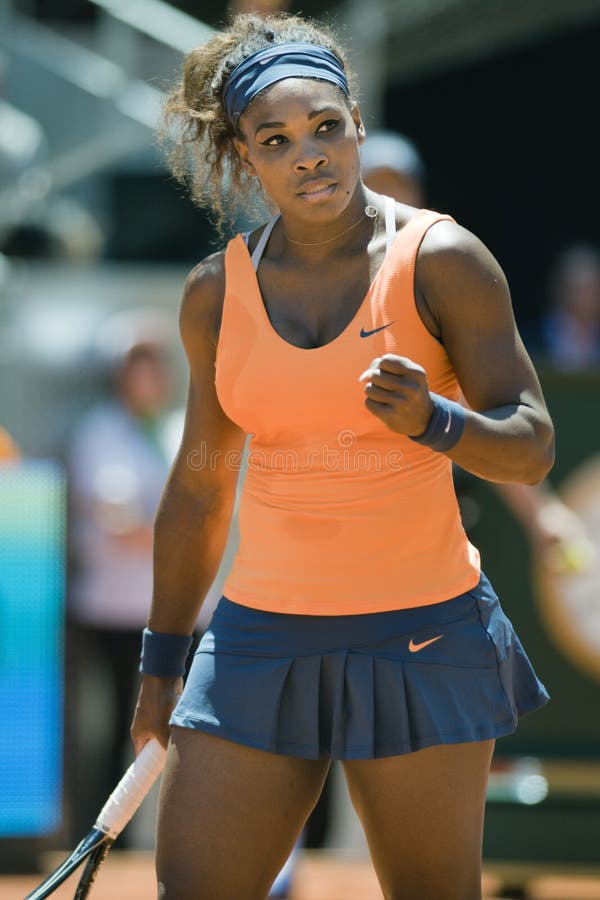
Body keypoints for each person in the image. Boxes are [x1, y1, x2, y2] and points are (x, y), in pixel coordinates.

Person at [131, 13, 555, 900]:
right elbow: (201, 489)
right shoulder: (214, 292)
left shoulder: (444, 259)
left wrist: (438, 422)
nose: (309, 155)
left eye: (326, 127)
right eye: (277, 140)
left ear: (357, 123)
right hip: (255, 638)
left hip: (426, 631)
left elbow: (531, 447)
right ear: (248, 159)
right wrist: (161, 665)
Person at [67, 309, 177, 843]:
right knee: (115, 730)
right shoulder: (98, 431)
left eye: (154, 363)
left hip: (175, 615)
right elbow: (118, 520)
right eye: (138, 363)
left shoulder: (180, 428)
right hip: (112, 613)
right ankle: (107, 841)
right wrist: (186, 536)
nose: (148, 374)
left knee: (180, 737)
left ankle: (171, 840)